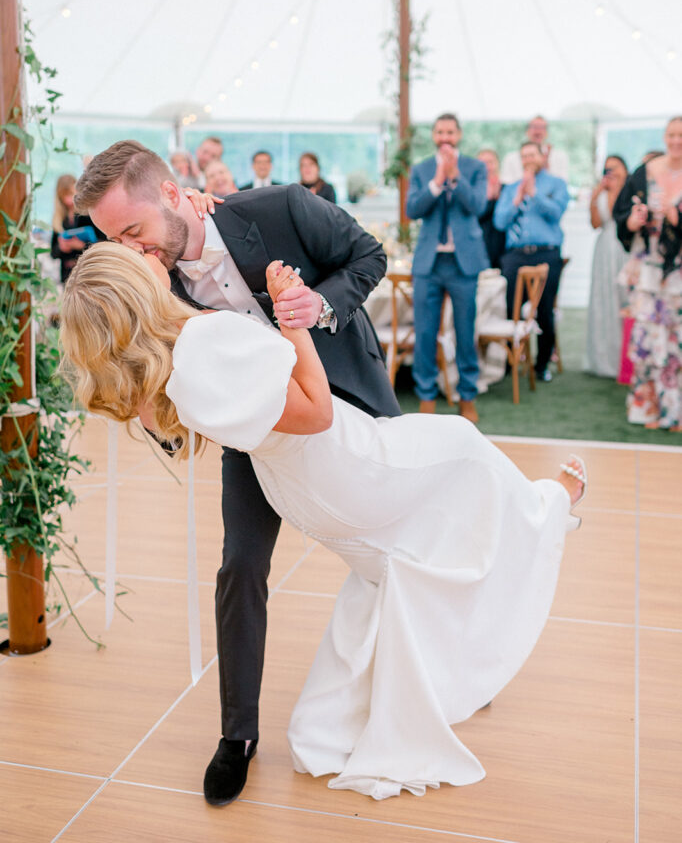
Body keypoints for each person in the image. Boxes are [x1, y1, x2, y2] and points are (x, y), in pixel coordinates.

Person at [60, 243, 586, 801]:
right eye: (130, 254)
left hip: (302, 492)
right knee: (470, 457)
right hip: (348, 458)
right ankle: (552, 505)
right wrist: (292, 317)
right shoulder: (205, 339)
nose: (143, 252)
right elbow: (316, 411)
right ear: (137, 288)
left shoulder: (159, 376)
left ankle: (461, 649)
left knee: (408, 556)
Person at [73, 140, 400, 807]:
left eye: (133, 231)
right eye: (114, 240)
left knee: (400, 541)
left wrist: (318, 305)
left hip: (347, 396)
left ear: (171, 194)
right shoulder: (150, 284)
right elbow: (163, 390)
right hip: (260, 435)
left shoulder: (279, 207)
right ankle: (238, 736)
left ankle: (430, 669)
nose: (133, 251)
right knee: (240, 566)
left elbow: (371, 257)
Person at [406, 113, 488, 423]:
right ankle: (426, 396)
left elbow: (478, 206)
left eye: (450, 132)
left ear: (459, 135)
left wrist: (456, 176)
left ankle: (467, 395)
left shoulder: (475, 168)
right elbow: (412, 209)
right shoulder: (422, 169)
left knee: (466, 332)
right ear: (433, 136)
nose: (445, 137)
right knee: (425, 333)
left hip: (463, 263)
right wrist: (438, 181)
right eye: (440, 132)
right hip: (429, 263)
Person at [613, 117, 682, 429]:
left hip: (677, 270)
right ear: (664, 136)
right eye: (671, 135)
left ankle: (675, 411)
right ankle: (647, 408)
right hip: (646, 269)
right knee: (646, 339)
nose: (676, 141)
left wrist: (675, 217)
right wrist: (632, 221)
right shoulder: (646, 170)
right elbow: (622, 212)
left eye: (681, 135)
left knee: (675, 340)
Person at [494, 141, 569, 383]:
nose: (528, 159)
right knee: (508, 308)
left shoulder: (555, 184)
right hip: (516, 254)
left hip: (546, 253)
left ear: (541, 157)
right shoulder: (511, 188)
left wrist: (535, 193)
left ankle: (542, 364)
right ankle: (508, 362)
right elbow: (500, 222)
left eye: (532, 155)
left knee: (544, 310)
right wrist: (517, 198)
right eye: (524, 155)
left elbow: (556, 213)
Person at [584, 155, 628, 377]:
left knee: (624, 298)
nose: (611, 171)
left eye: (616, 167)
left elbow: (621, 218)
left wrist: (616, 190)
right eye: (607, 168)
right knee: (604, 298)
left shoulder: (629, 191)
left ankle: (626, 358)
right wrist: (595, 197)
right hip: (603, 248)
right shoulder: (600, 192)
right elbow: (595, 223)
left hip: (624, 247)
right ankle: (604, 358)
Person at [50, 174, 100, 283]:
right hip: (67, 275)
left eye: (70, 195)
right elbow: (53, 253)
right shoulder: (59, 219)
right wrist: (61, 247)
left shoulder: (88, 216)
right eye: (64, 196)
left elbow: (102, 244)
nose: (68, 201)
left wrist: (82, 246)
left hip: (88, 273)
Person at [500, 115, 570, 185]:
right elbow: (506, 185)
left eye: (542, 127)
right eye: (534, 127)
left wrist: (546, 170)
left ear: (547, 133)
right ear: (527, 131)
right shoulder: (510, 158)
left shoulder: (560, 156)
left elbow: (563, 183)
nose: (538, 131)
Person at [477, 148, 506, 269]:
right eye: (483, 163)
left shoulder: (507, 189)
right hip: (479, 248)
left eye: (490, 162)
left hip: (503, 249)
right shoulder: (473, 193)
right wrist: (489, 198)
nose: (487, 167)